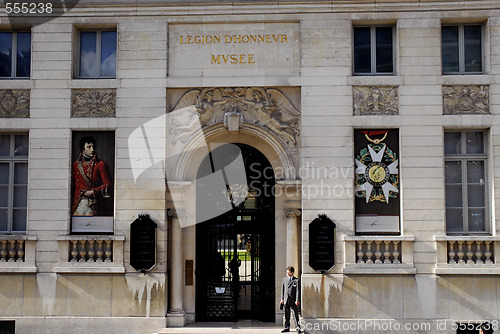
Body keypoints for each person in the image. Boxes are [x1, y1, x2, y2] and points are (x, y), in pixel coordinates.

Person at [72, 136, 112, 216]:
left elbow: (108, 185)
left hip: (94, 203)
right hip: (78, 203)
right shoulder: (75, 165)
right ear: (82, 148)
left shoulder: (100, 164)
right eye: (89, 147)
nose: (92, 150)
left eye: (93, 147)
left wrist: (93, 192)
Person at [280, 266, 301, 333]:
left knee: (295, 315)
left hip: (293, 300)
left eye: (289, 272)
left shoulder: (296, 280)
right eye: (287, 272)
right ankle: (287, 327)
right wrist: (282, 299)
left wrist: (297, 300)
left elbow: (298, 291)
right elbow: (283, 290)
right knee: (287, 315)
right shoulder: (284, 280)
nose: (288, 274)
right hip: (286, 300)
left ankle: (298, 327)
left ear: (292, 272)